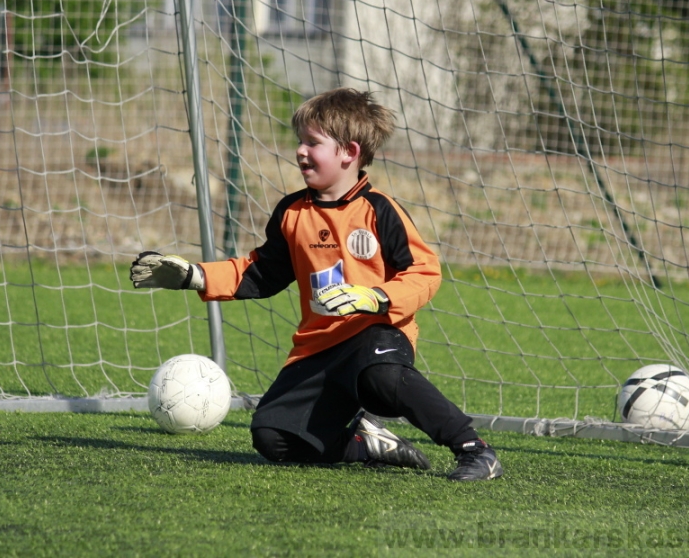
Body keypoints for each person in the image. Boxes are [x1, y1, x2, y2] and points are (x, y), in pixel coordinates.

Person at [130, 88, 502, 481]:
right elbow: (261, 272)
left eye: (313, 143)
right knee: (272, 437)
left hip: (374, 334)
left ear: (349, 152)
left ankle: (475, 449)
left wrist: (375, 297)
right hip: (317, 347)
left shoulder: (380, 211)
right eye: (300, 142)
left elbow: (425, 272)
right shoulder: (292, 212)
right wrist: (196, 276)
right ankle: (364, 444)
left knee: (381, 376)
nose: (300, 151)